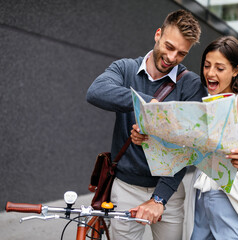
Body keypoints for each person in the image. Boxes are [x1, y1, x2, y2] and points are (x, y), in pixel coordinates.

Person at [131, 36, 238, 239]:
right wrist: (150, 136)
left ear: (236, 70)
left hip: (231, 202)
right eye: (207, 66)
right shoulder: (206, 101)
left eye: (220, 68)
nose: (210, 73)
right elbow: (188, 151)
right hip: (202, 199)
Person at [86, 10, 206, 240]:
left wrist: (159, 198)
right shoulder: (125, 69)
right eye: (169, 47)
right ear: (158, 34)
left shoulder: (190, 85)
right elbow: (95, 92)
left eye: (181, 53)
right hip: (125, 188)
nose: (172, 57)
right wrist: (146, 105)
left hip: (168, 192)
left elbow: (189, 146)